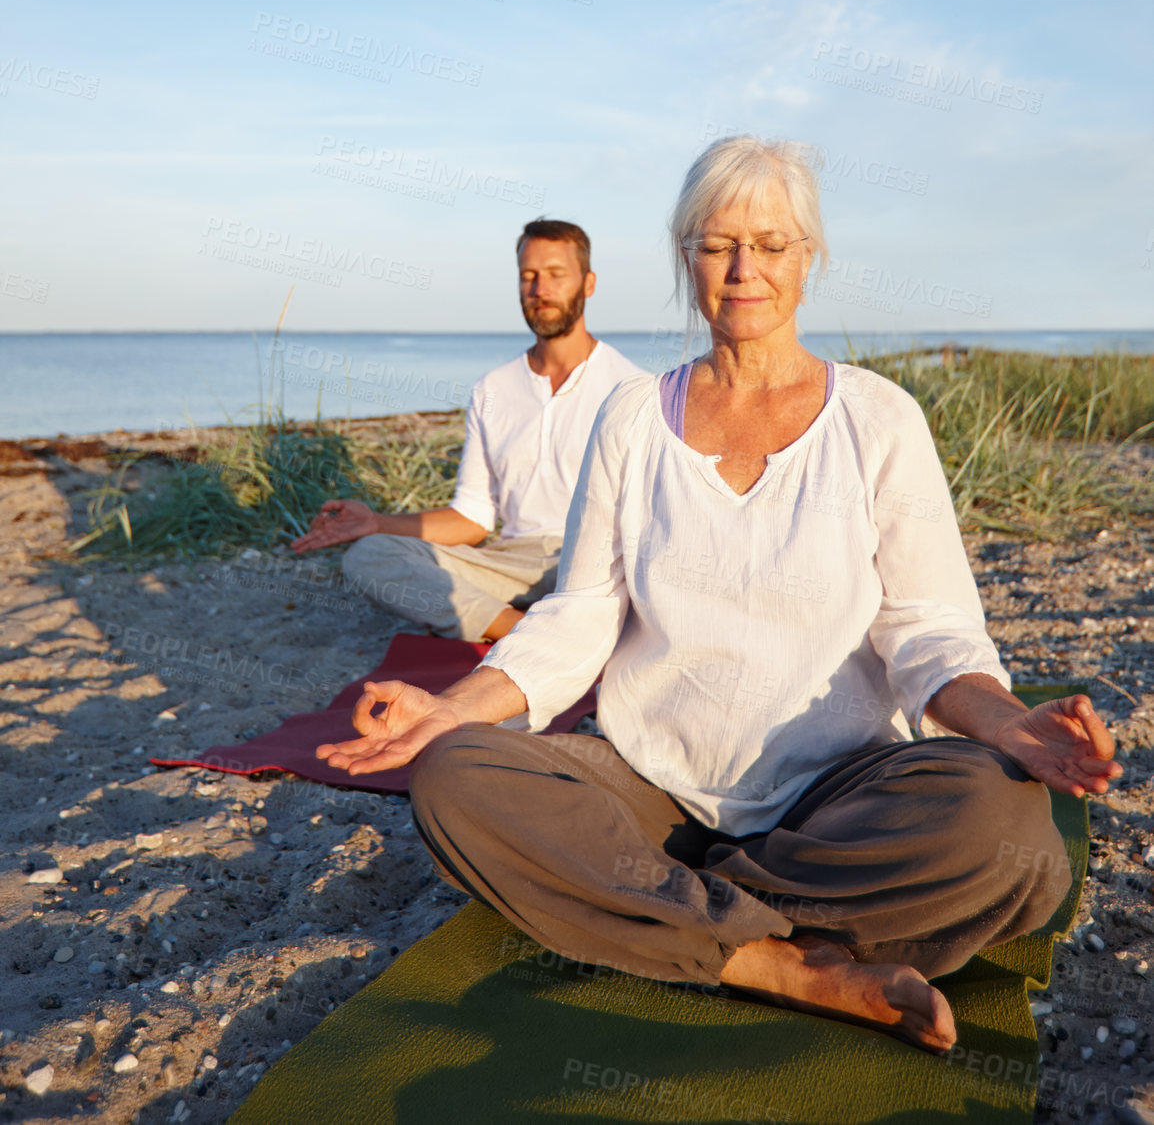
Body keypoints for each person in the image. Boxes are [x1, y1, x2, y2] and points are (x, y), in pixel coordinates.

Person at [315, 139, 1120, 1052]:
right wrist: (451, 705)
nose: (744, 270)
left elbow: (928, 631)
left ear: (805, 260)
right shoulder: (630, 418)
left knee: (1002, 822)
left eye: (770, 245)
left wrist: (1011, 725)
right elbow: (580, 614)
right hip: (654, 791)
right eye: (717, 245)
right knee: (459, 778)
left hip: (839, 791)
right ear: (685, 258)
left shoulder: (880, 419)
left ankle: (683, 916)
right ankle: (780, 961)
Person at [290, 218, 639, 643]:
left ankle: (533, 629)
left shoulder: (631, 388)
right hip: (513, 564)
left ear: (588, 283)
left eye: (555, 275)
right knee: (370, 556)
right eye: (528, 276)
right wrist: (376, 521)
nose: (539, 290)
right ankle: (523, 632)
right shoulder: (493, 389)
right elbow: (472, 519)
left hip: (593, 561)